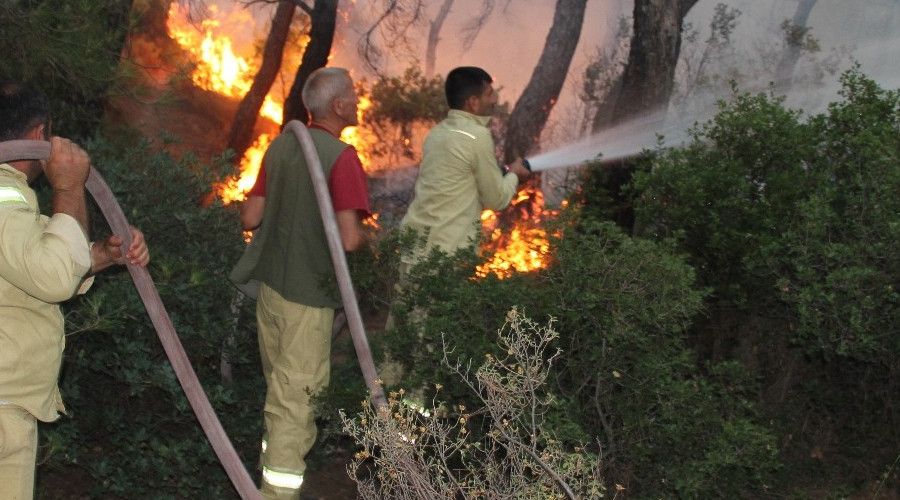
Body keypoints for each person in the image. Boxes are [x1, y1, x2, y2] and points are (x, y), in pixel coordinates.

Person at [0, 83, 150, 499]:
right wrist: (68, 188)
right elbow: (54, 276)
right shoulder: (4, 193)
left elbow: (30, 259)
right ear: (38, 134)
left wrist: (101, 254)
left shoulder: (8, 197)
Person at [229, 67, 370, 500]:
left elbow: (250, 216)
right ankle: (276, 493)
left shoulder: (282, 144)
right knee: (296, 404)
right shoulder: (342, 157)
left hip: (270, 291)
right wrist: (372, 239)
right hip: (307, 301)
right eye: (353, 94)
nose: (358, 100)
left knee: (281, 395)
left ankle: (267, 478)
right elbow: (349, 239)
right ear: (339, 106)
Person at [398, 66, 530, 273]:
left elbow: (456, 178)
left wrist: (501, 174)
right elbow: (496, 200)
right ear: (473, 102)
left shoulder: (436, 133)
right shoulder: (477, 135)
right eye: (489, 93)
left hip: (413, 247)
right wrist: (514, 174)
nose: (495, 99)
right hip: (446, 254)